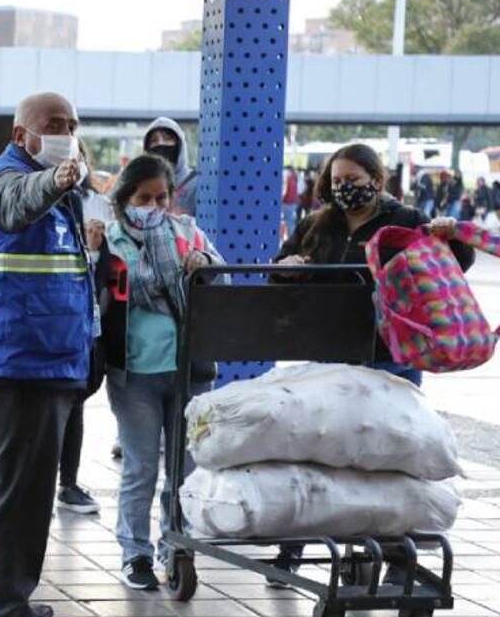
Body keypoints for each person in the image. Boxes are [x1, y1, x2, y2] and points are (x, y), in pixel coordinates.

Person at [272, 143, 472, 586]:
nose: (344, 189)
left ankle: (398, 557)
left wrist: (448, 236)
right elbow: (277, 270)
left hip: (392, 356)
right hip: (330, 356)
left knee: (392, 456)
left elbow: (456, 263)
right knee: (321, 451)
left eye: (353, 181)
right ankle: (292, 549)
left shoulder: (405, 221)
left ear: (377, 181)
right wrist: (288, 267)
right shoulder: (317, 226)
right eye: (337, 182)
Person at [0, 91, 93, 617]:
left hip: (49, 357)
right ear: (21, 136)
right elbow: (20, 203)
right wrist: (58, 181)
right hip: (20, 359)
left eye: (72, 124)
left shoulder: (63, 191)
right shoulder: (4, 179)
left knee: (31, 491)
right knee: (21, 492)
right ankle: (6, 615)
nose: (66, 132)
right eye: (54, 125)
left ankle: (7, 596)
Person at [102, 154, 225, 591]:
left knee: (185, 470)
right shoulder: (111, 239)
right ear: (125, 199)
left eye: (161, 197)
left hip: (189, 369)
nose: (153, 205)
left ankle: (176, 544)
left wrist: (204, 265)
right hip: (135, 371)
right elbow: (116, 289)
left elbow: (221, 281)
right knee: (140, 469)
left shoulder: (188, 235)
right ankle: (134, 553)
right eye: (143, 197)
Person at [56, 136, 112, 515]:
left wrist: (94, 251)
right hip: (50, 320)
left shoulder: (95, 203)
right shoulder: (41, 201)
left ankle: (69, 482)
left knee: (75, 402)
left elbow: (104, 271)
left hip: (85, 322)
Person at [142, 118, 196, 216]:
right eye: (154, 140)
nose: (160, 144)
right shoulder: (141, 186)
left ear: (180, 145)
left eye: (167, 139)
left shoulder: (196, 186)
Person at [282, 166, 300, 238]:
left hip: (288, 202)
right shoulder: (296, 178)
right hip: (294, 202)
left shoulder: (288, 178)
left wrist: (282, 200)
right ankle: (292, 237)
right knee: (291, 220)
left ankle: (291, 238)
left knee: (288, 221)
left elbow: (286, 192)